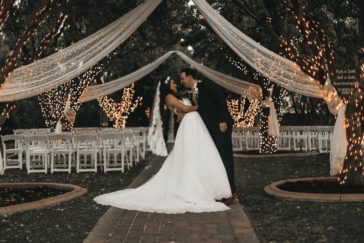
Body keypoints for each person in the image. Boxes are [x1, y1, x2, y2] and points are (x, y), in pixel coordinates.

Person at [94, 76, 232, 213]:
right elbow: (185, 108)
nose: (177, 84)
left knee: (197, 155)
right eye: (173, 82)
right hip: (189, 125)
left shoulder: (177, 95)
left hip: (194, 125)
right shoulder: (169, 98)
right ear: (167, 85)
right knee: (189, 156)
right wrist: (202, 107)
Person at [180, 68, 237, 203]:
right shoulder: (192, 92)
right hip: (209, 130)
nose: (181, 81)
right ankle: (221, 190)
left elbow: (221, 99)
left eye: (183, 78)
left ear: (190, 77)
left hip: (220, 126)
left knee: (225, 157)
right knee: (216, 160)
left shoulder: (206, 84)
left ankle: (231, 191)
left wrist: (222, 120)